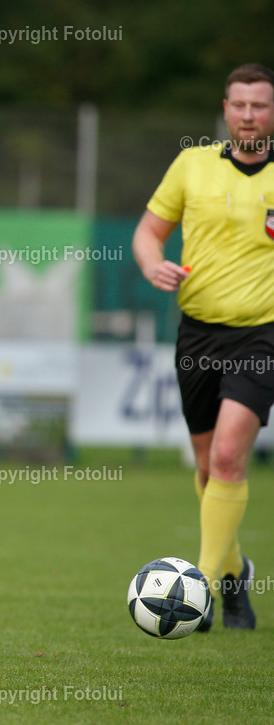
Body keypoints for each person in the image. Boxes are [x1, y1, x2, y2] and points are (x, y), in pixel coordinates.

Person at [131, 63, 273, 631]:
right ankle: (236, 573)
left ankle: (202, 590)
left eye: (259, 106)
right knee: (207, 467)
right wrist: (150, 265)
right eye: (239, 105)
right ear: (225, 107)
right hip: (197, 333)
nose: (248, 115)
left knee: (229, 457)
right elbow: (148, 231)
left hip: (264, 333)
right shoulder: (192, 165)